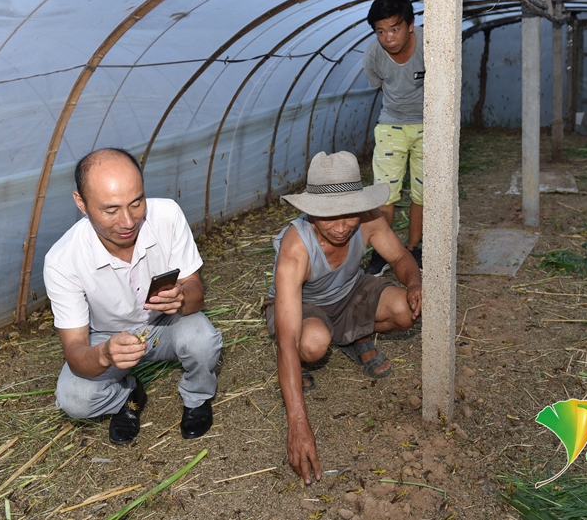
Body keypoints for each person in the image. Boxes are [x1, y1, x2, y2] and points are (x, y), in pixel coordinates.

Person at [264, 151, 422, 484]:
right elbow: (288, 339)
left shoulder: (369, 220)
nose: (340, 227)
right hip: (305, 307)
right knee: (312, 342)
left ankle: (352, 335)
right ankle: (342, 339)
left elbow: (400, 257)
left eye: (349, 215)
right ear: (310, 211)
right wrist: (298, 424)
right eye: (328, 217)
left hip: (349, 292)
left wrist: (414, 282)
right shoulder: (296, 248)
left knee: (406, 312)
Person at [44, 148, 222, 446]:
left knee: (202, 340)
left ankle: (197, 397)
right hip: (107, 337)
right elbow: (75, 352)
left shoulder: (166, 215)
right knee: (75, 399)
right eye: (110, 210)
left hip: (166, 323)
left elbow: (196, 293)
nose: (128, 222)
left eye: (136, 203)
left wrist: (181, 298)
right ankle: (127, 395)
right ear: (81, 203)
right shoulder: (63, 260)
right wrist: (103, 354)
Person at [362, 0, 425, 276]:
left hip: (430, 125)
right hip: (391, 125)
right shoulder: (373, 55)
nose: (388, 38)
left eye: (395, 28)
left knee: (424, 193)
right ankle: (383, 253)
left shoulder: (430, 44)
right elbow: (379, 87)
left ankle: (414, 249)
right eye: (380, 31)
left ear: (410, 25)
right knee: (384, 195)